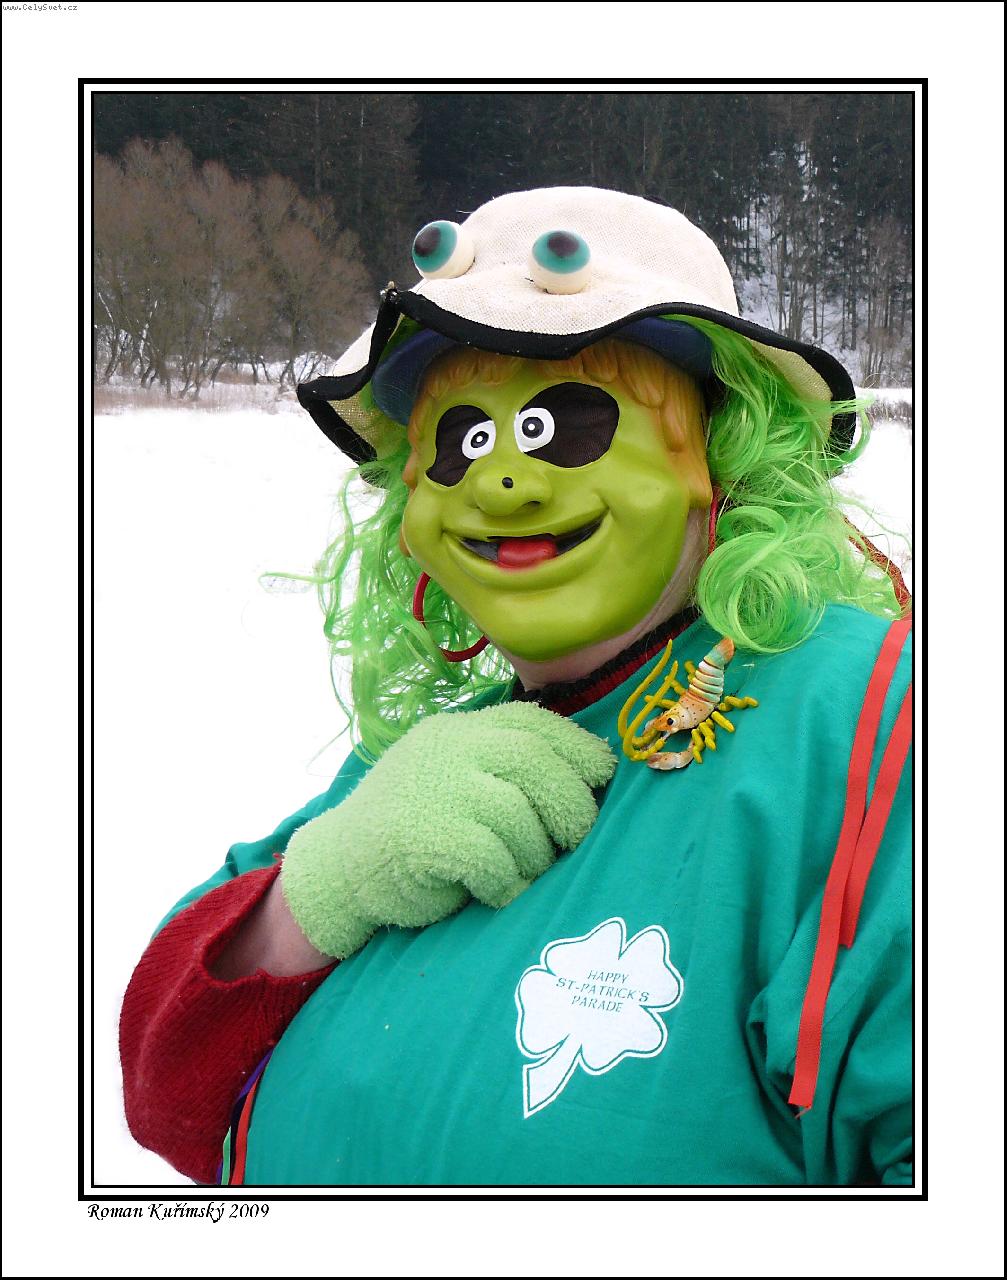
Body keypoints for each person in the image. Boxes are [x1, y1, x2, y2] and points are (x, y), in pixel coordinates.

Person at [119, 186, 912, 1187]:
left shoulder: (872, 718)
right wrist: (307, 904)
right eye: (462, 442)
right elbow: (165, 1090)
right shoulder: (425, 761)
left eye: (564, 427)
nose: (502, 482)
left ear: (718, 455)